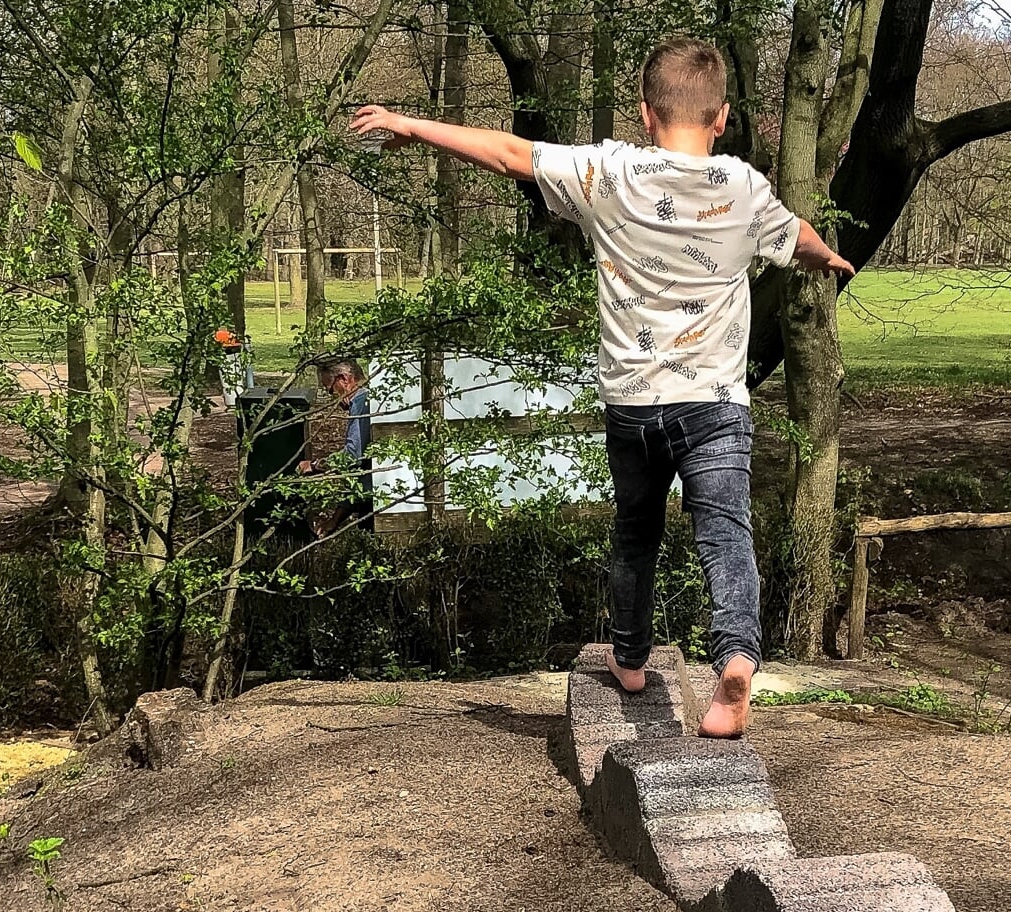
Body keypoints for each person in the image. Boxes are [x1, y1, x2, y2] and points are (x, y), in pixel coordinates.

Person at [350, 37, 854, 737]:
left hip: (634, 406)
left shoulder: (608, 172)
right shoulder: (742, 188)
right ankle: (735, 658)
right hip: (713, 406)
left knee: (635, 533)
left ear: (645, 115)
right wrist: (827, 254)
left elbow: (506, 153)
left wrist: (411, 124)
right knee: (724, 536)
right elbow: (794, 236)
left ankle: (627, 658)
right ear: (720, 116)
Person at [298, 357, 374, 535]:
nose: (332, 397)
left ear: (344, 379)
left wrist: (315, 465)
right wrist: (335, 520)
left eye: (330, 390)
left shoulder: (362, 403)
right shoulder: (371, 398)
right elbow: (362, 474)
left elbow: (353, 457)